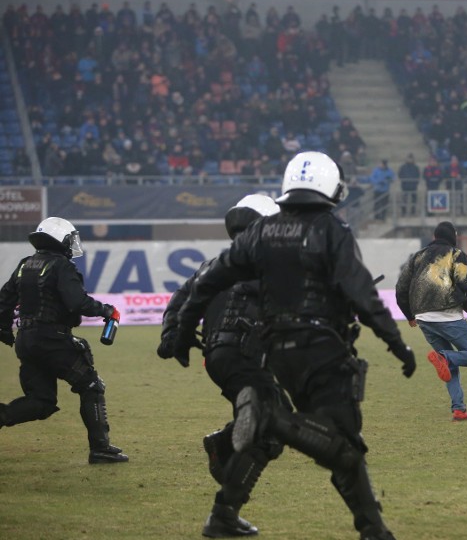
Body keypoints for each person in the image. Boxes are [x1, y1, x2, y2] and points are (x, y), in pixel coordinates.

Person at [169, 151, 417, 540]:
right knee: (344, 446)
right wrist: (396, 343)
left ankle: (226, 516)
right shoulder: (331, 229)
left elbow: (205, 283)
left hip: (277, 352)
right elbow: (362, 293)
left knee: (337, 449)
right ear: (331, 188)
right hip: (322, 350)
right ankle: (274, 421)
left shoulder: (259, 234)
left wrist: (183, 331)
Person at [157, 194, 282, 538]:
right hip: (243, 356)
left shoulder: (213, 264)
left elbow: (178, 302)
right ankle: (223, 513)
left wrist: (172, 338)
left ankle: (223, 445)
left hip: (220, 358)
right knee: (269, 432)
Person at [0, 217, 128, 464]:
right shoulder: (62, 266)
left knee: (41, 402)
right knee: (91, 386)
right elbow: (77, 302)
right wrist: (106, 310)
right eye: (70, 240)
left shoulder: (24, 265)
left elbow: (3, 301)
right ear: (60, 240)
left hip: (26, 341)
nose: (72, 245)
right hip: (52, 340)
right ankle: (100, 449)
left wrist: (5, 331)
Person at [395, 222, 467, 422]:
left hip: (424, 319)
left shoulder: (418, 257)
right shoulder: (457, 255)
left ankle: (459, 409)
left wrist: (409, 315)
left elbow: (401, 287)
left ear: (435, 236)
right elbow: (465, 284)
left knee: (449, 364)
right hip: (448, 315)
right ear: (453, 235)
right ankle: (444, 358)